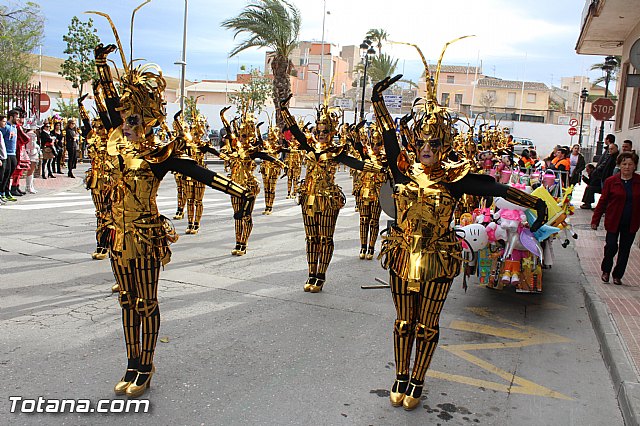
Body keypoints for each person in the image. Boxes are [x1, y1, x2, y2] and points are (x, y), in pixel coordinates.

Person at [89, 22, 253, 398]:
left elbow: (197, 171)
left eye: (132, 119)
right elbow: (109, 101)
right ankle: (130, 362)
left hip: (145, 234)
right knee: (127, 300)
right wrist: (101, 65)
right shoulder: (116, 138)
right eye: (124, 118)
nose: (125, 124)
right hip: (116, 232)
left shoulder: (159, 154)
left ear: (145, 120)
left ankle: (145, 365)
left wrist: (238, 189)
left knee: (146, 301)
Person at [371, 72, 547, 411]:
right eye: (421, 142)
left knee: (426, 325)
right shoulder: (402, 169)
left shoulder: (454, 179)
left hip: (438, 257)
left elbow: (495, 188)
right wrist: (378, 99)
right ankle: (400, 374)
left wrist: (533, 202)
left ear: (444, 147)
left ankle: (418, 378)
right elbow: (388, 133)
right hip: (402, 255)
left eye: (433, 144)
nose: (425, 149)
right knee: (404, 322)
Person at [279, 94, 383, 293]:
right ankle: (311, 273)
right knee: (311, 238)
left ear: (331, 132)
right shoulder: (308, 147)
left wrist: (377, 168)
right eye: (318, 131)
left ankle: (321, 275)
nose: (321, 135)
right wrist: (285, 111)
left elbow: (356, 164)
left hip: (328, 199)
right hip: (308, 197)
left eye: (325, 131)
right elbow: (295, 132)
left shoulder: (336, 151)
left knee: (325, 238)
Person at [591, 152, 640, 285]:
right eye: (624, 164)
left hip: (631, 222)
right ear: (619, 165)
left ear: (635, 166)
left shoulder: (638, 182)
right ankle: (606, 270)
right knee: (611, 246)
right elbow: (603, 201)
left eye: (630, 164)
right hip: (613, 220)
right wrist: (595, 219)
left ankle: (618, 275)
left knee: (625, 250)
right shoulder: (611, 181)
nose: (627, 167)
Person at [582, 134, 615, 208]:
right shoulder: (607, 151)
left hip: (603, 175)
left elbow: (604, 162)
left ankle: (594, 205)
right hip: (600, 175)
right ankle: (587, 203)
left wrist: (598, 169)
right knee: (589, 187)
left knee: (592, 188)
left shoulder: (609, 154)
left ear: (608, 140)